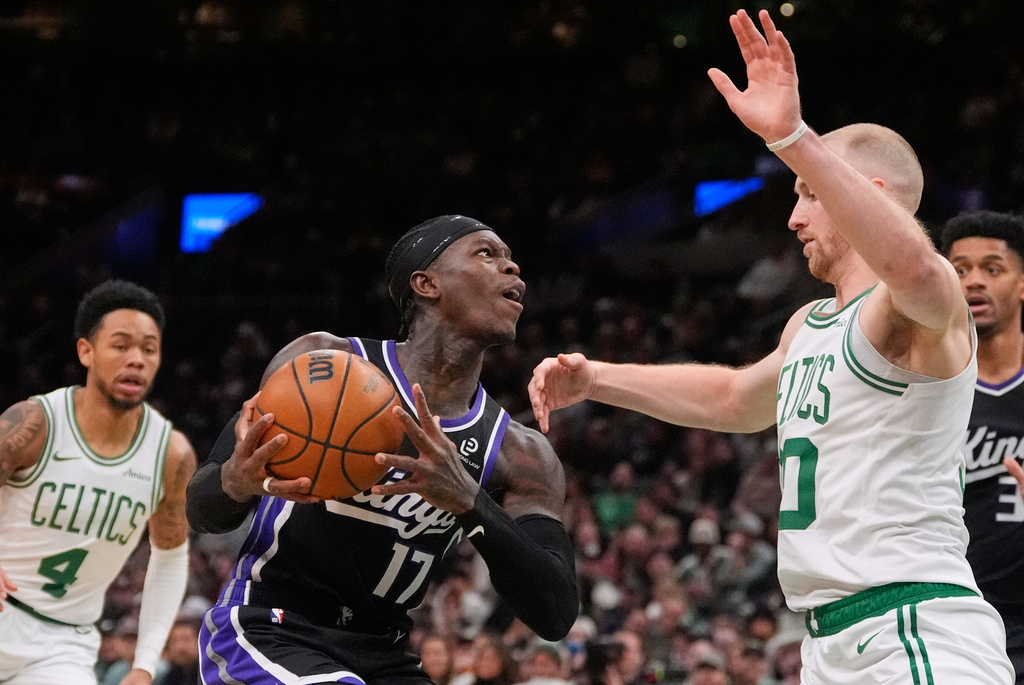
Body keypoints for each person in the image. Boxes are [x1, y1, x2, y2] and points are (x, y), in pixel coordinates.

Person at [529, 9, 1014, 684]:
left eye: (810, 194)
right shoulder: (810, 324)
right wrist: (597, 378)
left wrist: (791, 134)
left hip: (914, 628)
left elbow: (917, 270)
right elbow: (734, 398)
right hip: (828, 640)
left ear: (866, 199)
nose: (793, 216)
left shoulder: (914, 311)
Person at [186, 215, 579, 684]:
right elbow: (201, 508)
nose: (512, 267)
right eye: (486, 253)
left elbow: (555, 613)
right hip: (271, 628)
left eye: (511, 258)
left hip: (385, 654)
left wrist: (471, 503)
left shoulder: (519, 452)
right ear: (426, 283)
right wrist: (234, 480)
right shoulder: (323, 365)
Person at [0, 279, 196, 684]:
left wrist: (144, 663)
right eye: (121, 345)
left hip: (64, 644)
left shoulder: (171, 455)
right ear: (86, 351)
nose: (137, 360)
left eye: (149, 349)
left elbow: (171, 557)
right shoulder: (34, 425)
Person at [941, 210, 1024, 682]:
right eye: (960, 269)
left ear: (1021, 284)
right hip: (952, 617)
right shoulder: (924, 383)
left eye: (992, 269)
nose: (974, 282)